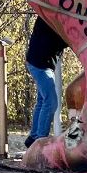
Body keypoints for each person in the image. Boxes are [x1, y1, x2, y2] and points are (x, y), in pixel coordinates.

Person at [25, 16, 68, 149]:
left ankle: (33, 138)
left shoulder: (52, 17)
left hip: (40, 64)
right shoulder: (49, 18)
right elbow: (65, 39)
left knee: (42, 101)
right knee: (51, 102)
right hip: (40, 65)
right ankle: (40, 142)